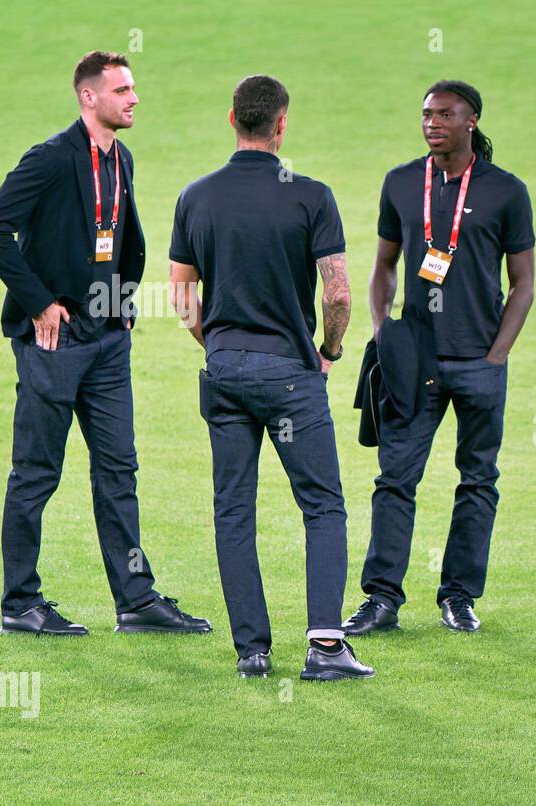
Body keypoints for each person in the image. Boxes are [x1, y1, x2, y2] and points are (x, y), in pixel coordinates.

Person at [0, 51, 209, 637]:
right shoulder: (51, 159)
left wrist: (123, 302)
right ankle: (19, 604)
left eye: (133, 88)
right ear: (89, 97)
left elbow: (122, 238)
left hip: (106, 341)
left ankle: (135, 600)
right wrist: (36, 302)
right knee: (35, 473)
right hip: (53, 341)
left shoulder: (120, 157)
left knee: (118, 471)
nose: (133, 98)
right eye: (122, 89)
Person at [169, 75, 371, 682]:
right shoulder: (311, 196)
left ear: (232, 118)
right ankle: (326, 648)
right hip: (291, 374)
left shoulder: (196, 197)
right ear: (281, 125)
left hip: (225, 371)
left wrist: (221, 346)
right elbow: (337, 295)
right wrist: (328, 350)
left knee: (233, 509)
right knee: (322, 505)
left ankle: (252, 651)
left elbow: (182, 298)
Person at [344, 80, 536, 636]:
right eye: (426, 114)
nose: (432, 122)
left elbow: (522, 284)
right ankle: (381, 599)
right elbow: (383, 266)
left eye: (445, 114)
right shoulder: (402, 182)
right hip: (415, 361)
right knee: (394, 480)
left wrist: (498, 354)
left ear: (471, 120)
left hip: (480, 361)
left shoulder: (505, 191)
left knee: (477, 480)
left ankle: (458, 596)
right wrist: (383, 331)